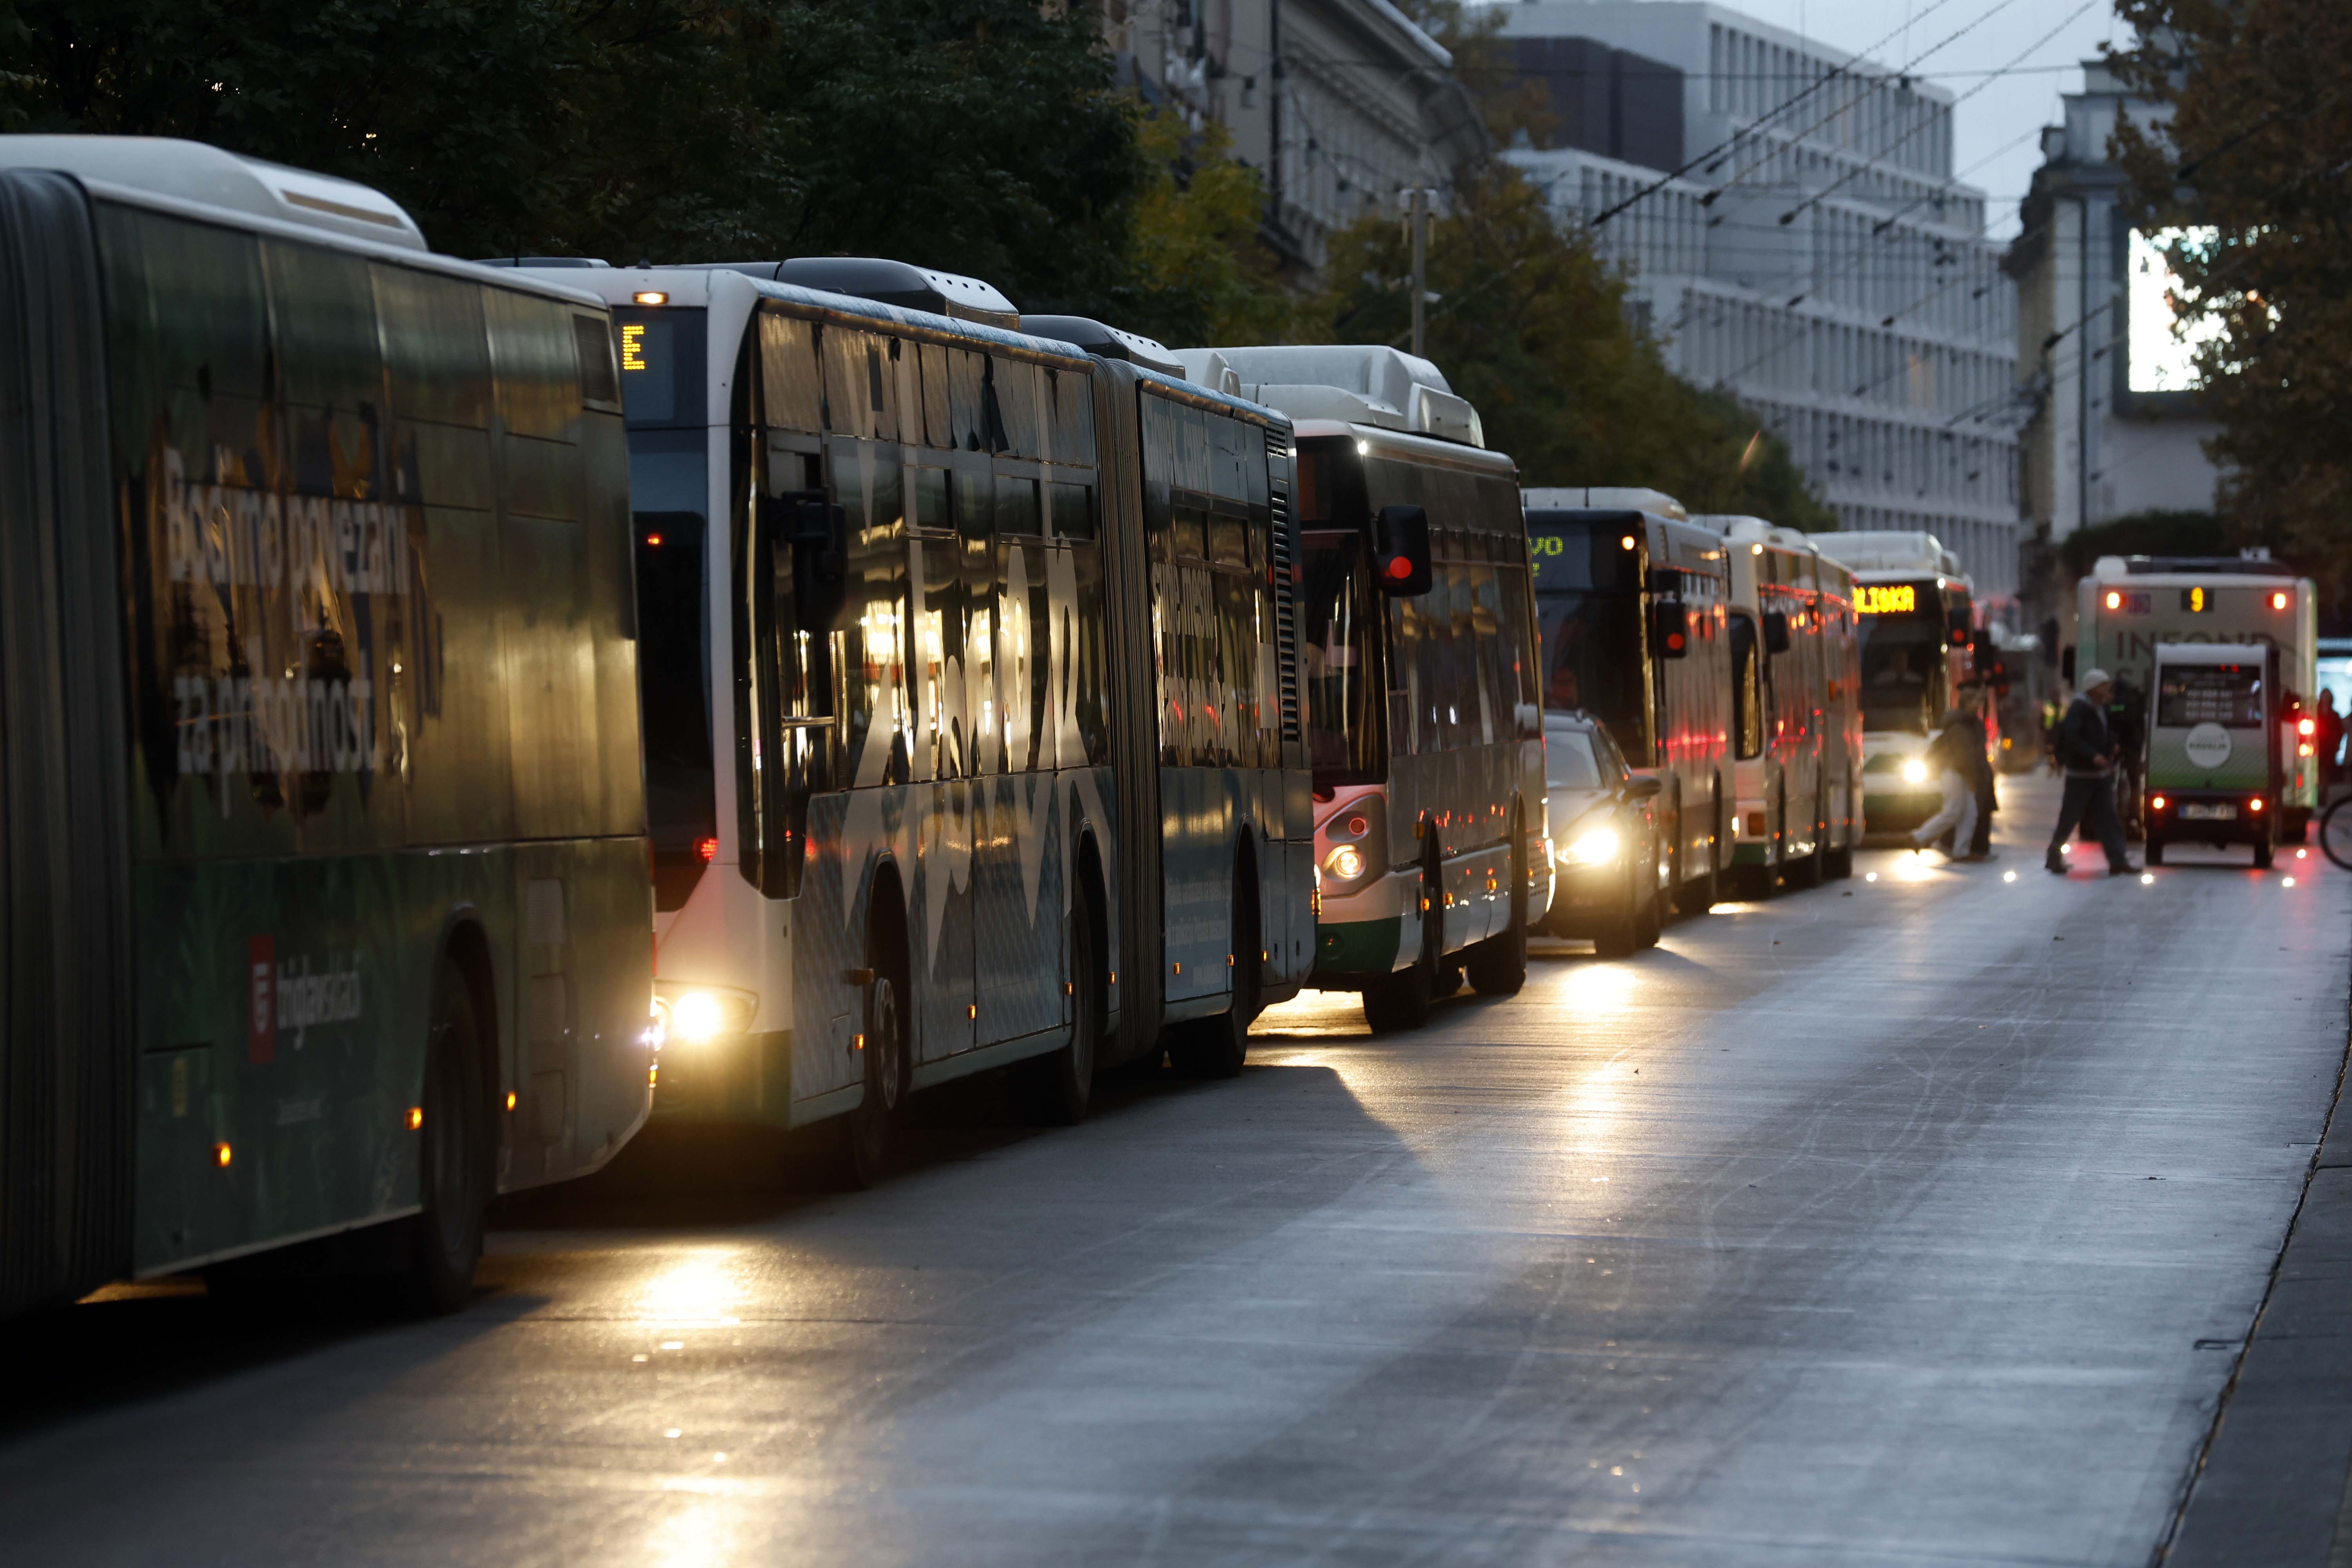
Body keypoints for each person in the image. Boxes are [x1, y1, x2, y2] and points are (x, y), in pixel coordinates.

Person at [2046, 670, 2138, 876]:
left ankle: (2118, 861)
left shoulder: (2101, 708)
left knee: (2109, 820)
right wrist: (2092, 756)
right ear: (2094, 688)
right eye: (2104, 685)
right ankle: (2053, 857)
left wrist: (2110, 747)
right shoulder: (2079, 709)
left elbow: (2104, 732)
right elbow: (2073, 736)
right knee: (2069, 819)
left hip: (2099, 776)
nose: (2108, 690)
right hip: (2081, 775)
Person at [1911, 684, 1985, 860]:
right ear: (1967, 703)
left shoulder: (1965, 724)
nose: (1979, 704)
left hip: (1957, 773)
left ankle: (1960, 850)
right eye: (1976, 701)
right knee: (1955, 811)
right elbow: (1963, 757)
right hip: (1955, 773)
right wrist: (1971, 779)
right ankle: (1920, 837)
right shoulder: (1961, 727)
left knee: (1967, 812)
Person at [2316, 690, 2344, 800]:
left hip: (2329, 747)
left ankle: (2324, 793)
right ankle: (2320, 792)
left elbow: (2339, 731)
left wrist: (2336, 744)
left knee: (2326, 770)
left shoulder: (2334, 715)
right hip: (2318, 746)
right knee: (2319, 769)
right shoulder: (2316, 712)